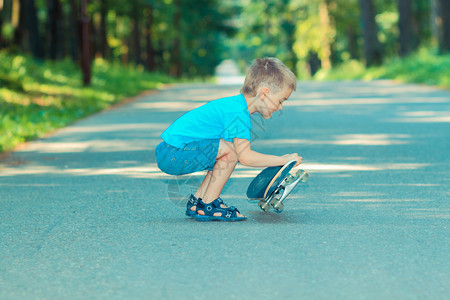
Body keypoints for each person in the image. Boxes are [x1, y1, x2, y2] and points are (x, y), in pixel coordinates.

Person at [155, 57, 302, 222]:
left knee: (224, 151)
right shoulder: (237, 112)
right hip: (173, 153)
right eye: (281, 100)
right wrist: (282, 160)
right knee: (230, 151)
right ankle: (209, 205)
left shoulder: (235, 106)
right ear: (264, 93)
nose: (281, 107)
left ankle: (198, 201)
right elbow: (245, 157)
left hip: (171, 152)